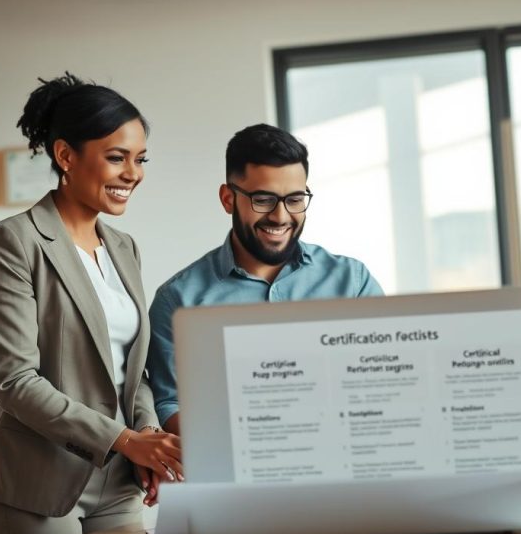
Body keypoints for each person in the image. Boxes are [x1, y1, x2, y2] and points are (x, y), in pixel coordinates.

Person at [0, 72, 182, 534]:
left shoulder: (124, 248)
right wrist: (126, 439)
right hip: (40, 483)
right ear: (66, 156)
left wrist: (147, 432)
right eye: (116, 157)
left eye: (140, 158)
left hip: (119, 482)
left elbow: (132, 370)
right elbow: (13, 380)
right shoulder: (12, 242)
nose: (134, 173)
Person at [148, 123, 383, 434]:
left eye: (295, 199)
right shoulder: (178, 300)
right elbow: (170, 403)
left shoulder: (353, 282)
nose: (281, 216)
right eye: (263, 199)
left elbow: (382, 379)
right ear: (228, 198)